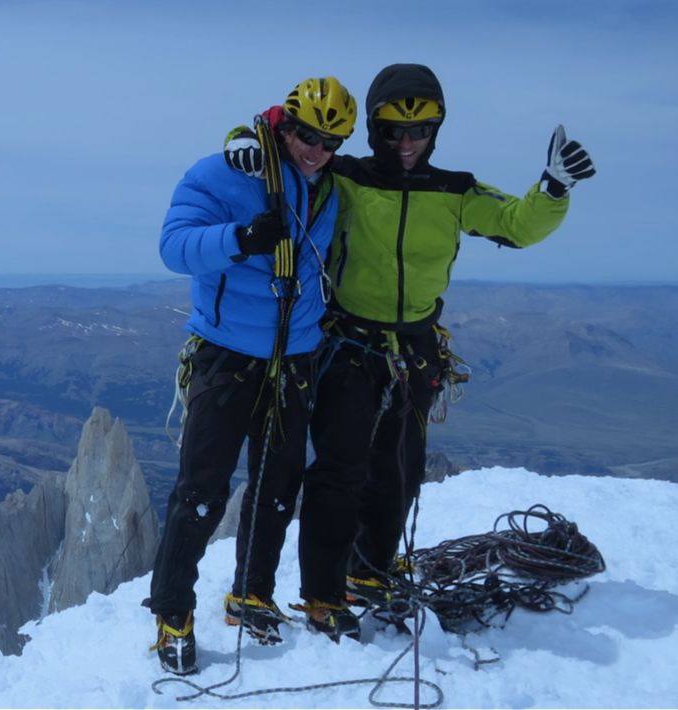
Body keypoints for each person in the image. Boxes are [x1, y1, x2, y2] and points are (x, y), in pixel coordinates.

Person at [223, 63, 596, 641]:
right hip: (349, 344)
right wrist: (247, 138)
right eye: (394, 130)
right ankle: (323, 591)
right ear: (374, 129)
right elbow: (290, 144)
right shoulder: (345, 175)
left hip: (415, 348)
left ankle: (368, 569)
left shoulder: (454, 190)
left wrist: (552, 188)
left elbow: (515, 225)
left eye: (420, 131)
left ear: (436, 131)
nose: (406, 142)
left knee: (400, 471)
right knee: (341, 470)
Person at [147, 77, 358, 675]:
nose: (317, 150)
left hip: (295, 356)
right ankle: (171, 614)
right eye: (307, 136)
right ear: (283, 124)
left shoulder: (330, 187)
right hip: (227, 352)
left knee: (275, 487)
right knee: (201, 491)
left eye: (331, 141)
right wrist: (240, 239)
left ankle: (250, 593)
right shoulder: (223, 172)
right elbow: (174, 246)